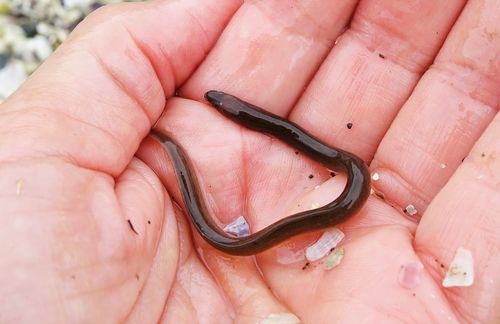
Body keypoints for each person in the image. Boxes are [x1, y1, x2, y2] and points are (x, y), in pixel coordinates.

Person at [1, 0, 498, 322]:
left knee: (308, 146)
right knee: (303, 142)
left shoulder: (349, 174)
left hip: (339, 188)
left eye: (223, 106)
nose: (219, 102)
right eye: (222, 105)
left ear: (238, 115)